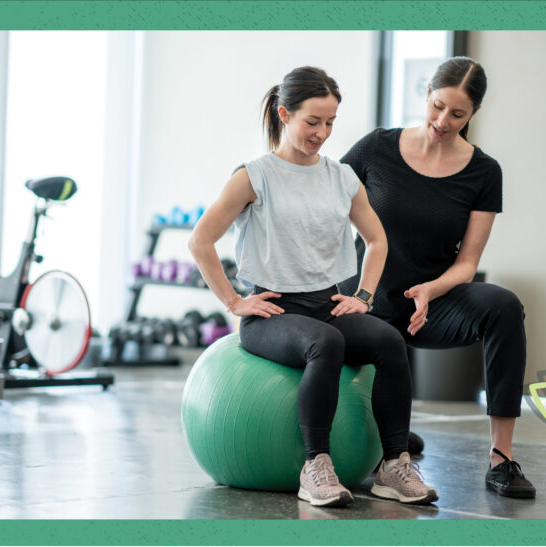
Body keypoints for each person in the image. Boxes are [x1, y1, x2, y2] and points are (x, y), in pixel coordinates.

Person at [188, 66, 438, 508]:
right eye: (312, 121)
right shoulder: (255, 175)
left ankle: (393, 465)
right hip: (274, 313)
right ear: (284, 114)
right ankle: (315, 466)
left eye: (330, 123)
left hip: (327, 303)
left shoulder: (340, 176)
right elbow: (200, 240)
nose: (321, 132)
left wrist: (362, 296)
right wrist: (234, 301)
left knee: (388, 340)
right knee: (325, 343)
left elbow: (377, 240)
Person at [339, 57, 536, 499]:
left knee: (504, 306)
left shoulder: (484, 172)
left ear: (474, 115)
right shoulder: (377, 147)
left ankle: (501, 460)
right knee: (374, 347)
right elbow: (320, 199)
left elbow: (467, 262)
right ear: (427, 93)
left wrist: (432, 289)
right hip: (365, 297)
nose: (442, 121)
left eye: (457, 114)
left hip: (432, 301)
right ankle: (389, 436)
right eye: (437, 106)